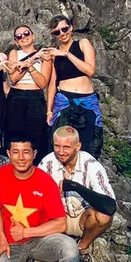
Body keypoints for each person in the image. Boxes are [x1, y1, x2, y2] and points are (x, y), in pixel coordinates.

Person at [39, 126, 117, 252]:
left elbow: (110, 206)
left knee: (103, 216)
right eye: (57, 146)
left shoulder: (92, 165)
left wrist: (75, 186)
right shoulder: (47, 162)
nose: (60, 151)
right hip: (56, 217)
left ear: (78, 146)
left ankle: (82, 246)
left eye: (66, 147)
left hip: (81, 219)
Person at [46, 14, 103, 158]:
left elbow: (90, 70)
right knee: (59, 143)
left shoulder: (83, 43)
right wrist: (49, 110)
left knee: (90, 142)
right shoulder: (54, 54)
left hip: (87, 99)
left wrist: (66, 54)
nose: (62, 34)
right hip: (64, 98)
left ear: (71, 28)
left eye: (64, 29)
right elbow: (52, 83)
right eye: (57, 32)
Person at [4, 24, 50, 160]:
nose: (23, 37)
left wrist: (28, 66)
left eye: (26, 33)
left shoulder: (45, 55)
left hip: (35, 97)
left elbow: (42, 83)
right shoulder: (14, 53)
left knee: (36, 136)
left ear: (33, 36)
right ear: (16, 41)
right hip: (16, 97)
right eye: (19, 36)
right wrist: (33, 59)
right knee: (13, 135)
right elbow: (13, 78)